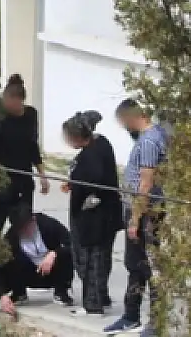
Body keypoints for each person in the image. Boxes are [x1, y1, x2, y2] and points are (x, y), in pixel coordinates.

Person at [105, 99, 171, 336]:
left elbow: (145, 184)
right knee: (135, 266)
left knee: (148, 267)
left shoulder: (150, 141)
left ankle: (155, 322)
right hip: (139, 211)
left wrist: (134, 219)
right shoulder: (151, 137)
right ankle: (130, 315)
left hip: (145, 214)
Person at [0, 74, 49, 282]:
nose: (10, 106)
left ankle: (17, 270)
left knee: (23, 225)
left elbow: (32, 146)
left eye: (13, 103)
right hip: (0, 182)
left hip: (24, 181)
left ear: (20, 100)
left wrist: (42, 174)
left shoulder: (31, 115)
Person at [62, 110, 121, 316]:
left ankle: (93, 304)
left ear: (78, 136)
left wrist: (86, 195)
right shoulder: (101, 143)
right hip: (106, 213)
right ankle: (101, 297)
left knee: (90, 259)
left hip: (94, 216)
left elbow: (94, 179)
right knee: (101, 257)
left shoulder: (92, 154)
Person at [0, 203, 74, 319]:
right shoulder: (12, 237)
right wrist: (2, 295)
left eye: (27, 226)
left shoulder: (48, 224)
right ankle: (19, 293)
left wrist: (54, 254)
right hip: (29, 272)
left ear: (33, 219)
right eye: (21, 229)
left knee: (66, 255)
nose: (26, 231)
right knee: (9, 260)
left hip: (52, 270)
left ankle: (61, 291)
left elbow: (72, 243)